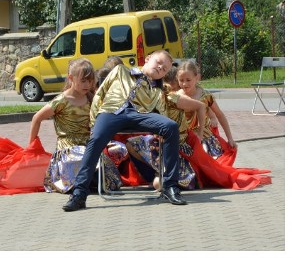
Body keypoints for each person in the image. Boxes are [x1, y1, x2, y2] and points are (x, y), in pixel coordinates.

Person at [62, 50, 200, 212]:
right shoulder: (121, 70)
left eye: (164, 69)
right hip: (110, 112)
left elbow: (162, 112)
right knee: (96, 138)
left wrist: (161, 130)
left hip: (139, 115)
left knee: (170, 126)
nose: (160, 68)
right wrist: (94, 122)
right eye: (158, 63)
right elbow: (100, 94)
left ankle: (170, 187)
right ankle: (79, 194)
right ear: (148, 59)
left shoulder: (157, 90)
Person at [28, 58, 122, 194]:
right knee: (82, 159)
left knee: (108, 171)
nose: (87, 84)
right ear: (71, 78)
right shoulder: (61, 101)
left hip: (86, 144)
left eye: (90, 81)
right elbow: (37, 118)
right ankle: (80, 181)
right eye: (83, 81)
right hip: (67, 148)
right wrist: (32, 146)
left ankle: (91, 181)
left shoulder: (91, 99)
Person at [175, 60, 236, 157]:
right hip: (184, 139)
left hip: (203, 137)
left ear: (196, 78)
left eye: (188, 80)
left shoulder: (205, 96)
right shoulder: (176, 97)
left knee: (209, 164)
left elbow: (220, 115)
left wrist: (230, 138)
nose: (184, 84)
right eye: (181, 80)